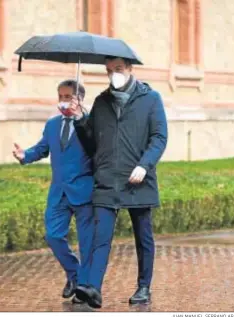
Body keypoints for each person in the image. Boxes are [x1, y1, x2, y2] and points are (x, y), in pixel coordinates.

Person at [68, 56, 168, 308]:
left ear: (130, 69)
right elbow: (92, 144)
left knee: (143, 237)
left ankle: (144, 287)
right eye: (109, 71)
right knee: (100, 237)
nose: (114, 74)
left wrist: (144, 166)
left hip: (137, 180)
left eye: (119, 69)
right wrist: (80, 119)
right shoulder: (101, 102)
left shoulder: (151, 99)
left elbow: (159, 137)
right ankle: (93, 288)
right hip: (107, 179)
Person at [13, 79, 94, 304]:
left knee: (87, 243)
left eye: (68, 96)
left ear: (79, 99)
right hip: (58, 192)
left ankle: (85, 289)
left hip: (84, 192)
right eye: (60, 96)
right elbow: (42, 149)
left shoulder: (91, 124)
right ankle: (74, 274)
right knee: (53, 236)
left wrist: (80, 119)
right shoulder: (52, 125)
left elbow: (98, 151)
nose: (63, 101)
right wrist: (25, 156)